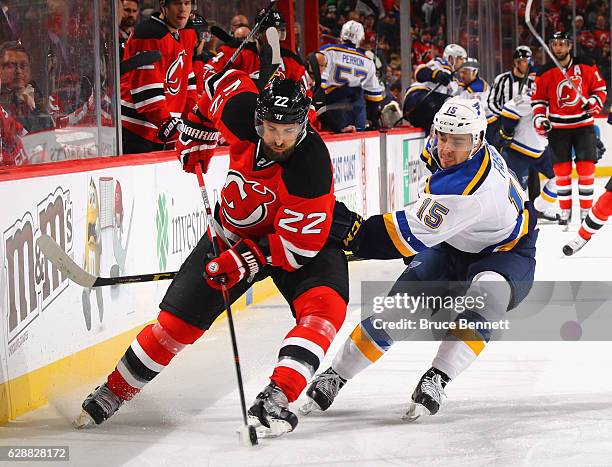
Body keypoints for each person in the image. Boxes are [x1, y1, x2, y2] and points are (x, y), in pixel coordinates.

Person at [74, 71, 349, 438]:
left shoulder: (312, 167)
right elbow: (211, 82)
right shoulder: (238, 111)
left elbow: (298, 248)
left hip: (297, 243)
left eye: (288, 130)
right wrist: (196, 132)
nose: (279, 139)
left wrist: (245, 259)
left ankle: (277, 396)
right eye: (270, 128)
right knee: (174, 328)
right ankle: (113, 390)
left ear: (304, 123)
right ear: (256, 120)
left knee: (325, 308)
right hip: (231, 233)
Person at [301, 97, 538, 421]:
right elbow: (424, 222)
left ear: (477, 140)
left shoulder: (467, 186)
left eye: (457, 141)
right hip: (453, 242)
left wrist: (349, 230)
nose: (445, 148)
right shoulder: (459, 155)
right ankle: (336, 375)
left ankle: (437, 377)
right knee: (397, 312)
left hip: (507, 252)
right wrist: (419, 238)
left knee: (487, 298)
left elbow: (393, 236)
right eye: (441, 137)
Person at [531, 31, 607, 225]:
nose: (559, 48)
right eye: (555, 44)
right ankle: (565, 212)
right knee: (562, 172)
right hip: (558, 128)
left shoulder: (587, 65)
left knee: (586, 169)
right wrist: (540, 118)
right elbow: (538, 100)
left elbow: (600, 89)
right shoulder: (544, 72)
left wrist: (593, 101)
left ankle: (585, 210)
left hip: (583, 125)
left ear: (570, 46)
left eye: (563, 44)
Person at [120, 0, 197, 154]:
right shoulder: (149, 35)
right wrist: (167, 123)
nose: (183, 9)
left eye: (187, 3)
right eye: (177, 3)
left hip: (168, 127)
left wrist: (192, 119)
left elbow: (187, 81)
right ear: (164, 6)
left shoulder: (187, 33)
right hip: (138, 129)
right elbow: (146, 93)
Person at [496, 79, 558, 221]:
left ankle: (537, 210)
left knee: (559, 178)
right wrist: (508, 130)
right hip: (518, 150)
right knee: (515, 187)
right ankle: (507, 218)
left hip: (540, 151)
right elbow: (508, 109)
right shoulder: (530, 97)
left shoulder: (558, 102)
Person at [203, 10, 308, 90]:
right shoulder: (236, 51)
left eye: (280, 31)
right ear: (257, 33)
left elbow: (306, 93)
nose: (276, 36)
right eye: (271, 31)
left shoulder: (292, 60)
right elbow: (207, 73)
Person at [319, 20, 384, 132]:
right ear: (361, 39)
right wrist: (371, 118)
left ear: (342, 34)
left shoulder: (328, 51)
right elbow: (375, 96)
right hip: (358, 114)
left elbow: (318, 85)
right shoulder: (367, 60)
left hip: (333, 113)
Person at [402, 43, 466, 133]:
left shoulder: (455, 80)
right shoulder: (440, 63)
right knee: (451, 104)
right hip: (417, 98)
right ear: (451, 58)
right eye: (461, 59)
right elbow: (419, 72)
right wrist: (436, 75)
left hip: (427, 109)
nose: (463, 62)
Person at [0, 42, 54, 133]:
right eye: (11, 66)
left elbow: (48, 132)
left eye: (23, 66)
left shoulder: (38, 98)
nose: (18, 71)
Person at [487, 46, 534, 142]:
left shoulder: (532, 82)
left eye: (528, 61)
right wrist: (505, 117)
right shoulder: (502, 79)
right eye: (524, 61)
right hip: (504, 126)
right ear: (516, 62)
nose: (527, 64)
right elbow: (492, 102)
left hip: (525, 129)